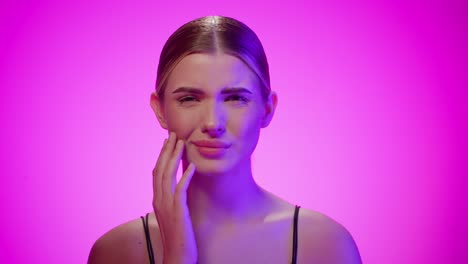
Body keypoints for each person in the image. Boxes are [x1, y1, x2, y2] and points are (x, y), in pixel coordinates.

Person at [88, 15, 362, 264]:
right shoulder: (116, 252)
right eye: (189, 99)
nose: (212, 123)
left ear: (267, 109)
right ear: (160, 110)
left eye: (235, 98)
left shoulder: (326, 245)